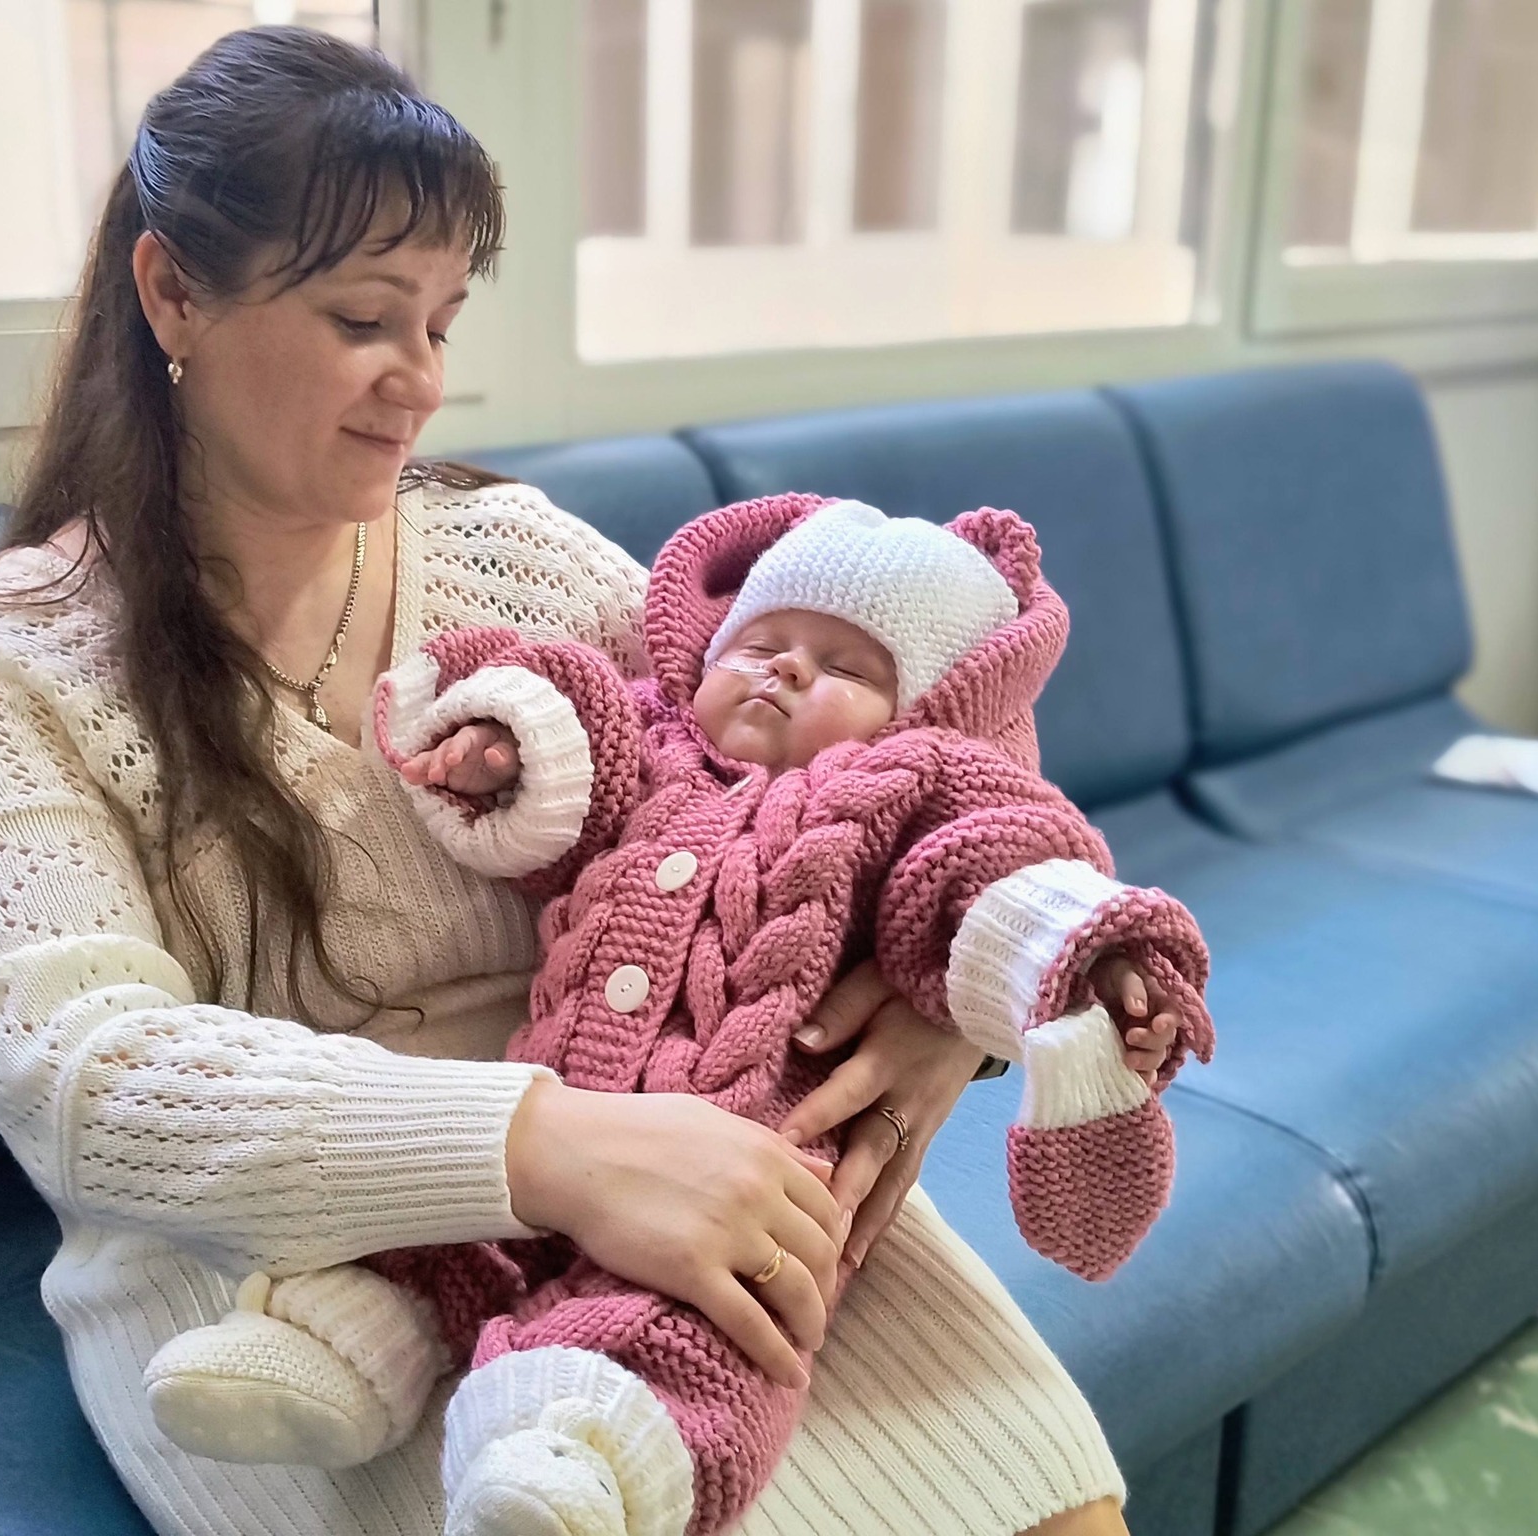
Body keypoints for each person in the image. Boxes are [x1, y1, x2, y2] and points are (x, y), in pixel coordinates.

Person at [0, 25, 1136, 1536]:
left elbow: (920, 755)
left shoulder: (513, 551)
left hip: (702, 1133)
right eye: (363, 318)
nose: (418, 382)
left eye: (442, 323)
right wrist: (552, 1152)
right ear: (173, 293)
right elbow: (86, 1085)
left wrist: (950, 1022)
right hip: (291, 1275)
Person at [139, 499, 1214, 1536]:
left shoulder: (900, 785)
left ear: (918, 713)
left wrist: (1072, 967)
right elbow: (565, 742)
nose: (786, 669)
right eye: (763, 644)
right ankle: (338, 1344)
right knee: (443, 1238)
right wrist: (499, 740)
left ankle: (580, 1457)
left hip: (759, 1178)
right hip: (531, 1106)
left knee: (703, 1331)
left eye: (845, 668)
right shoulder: (656, 737)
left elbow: (991, 866)